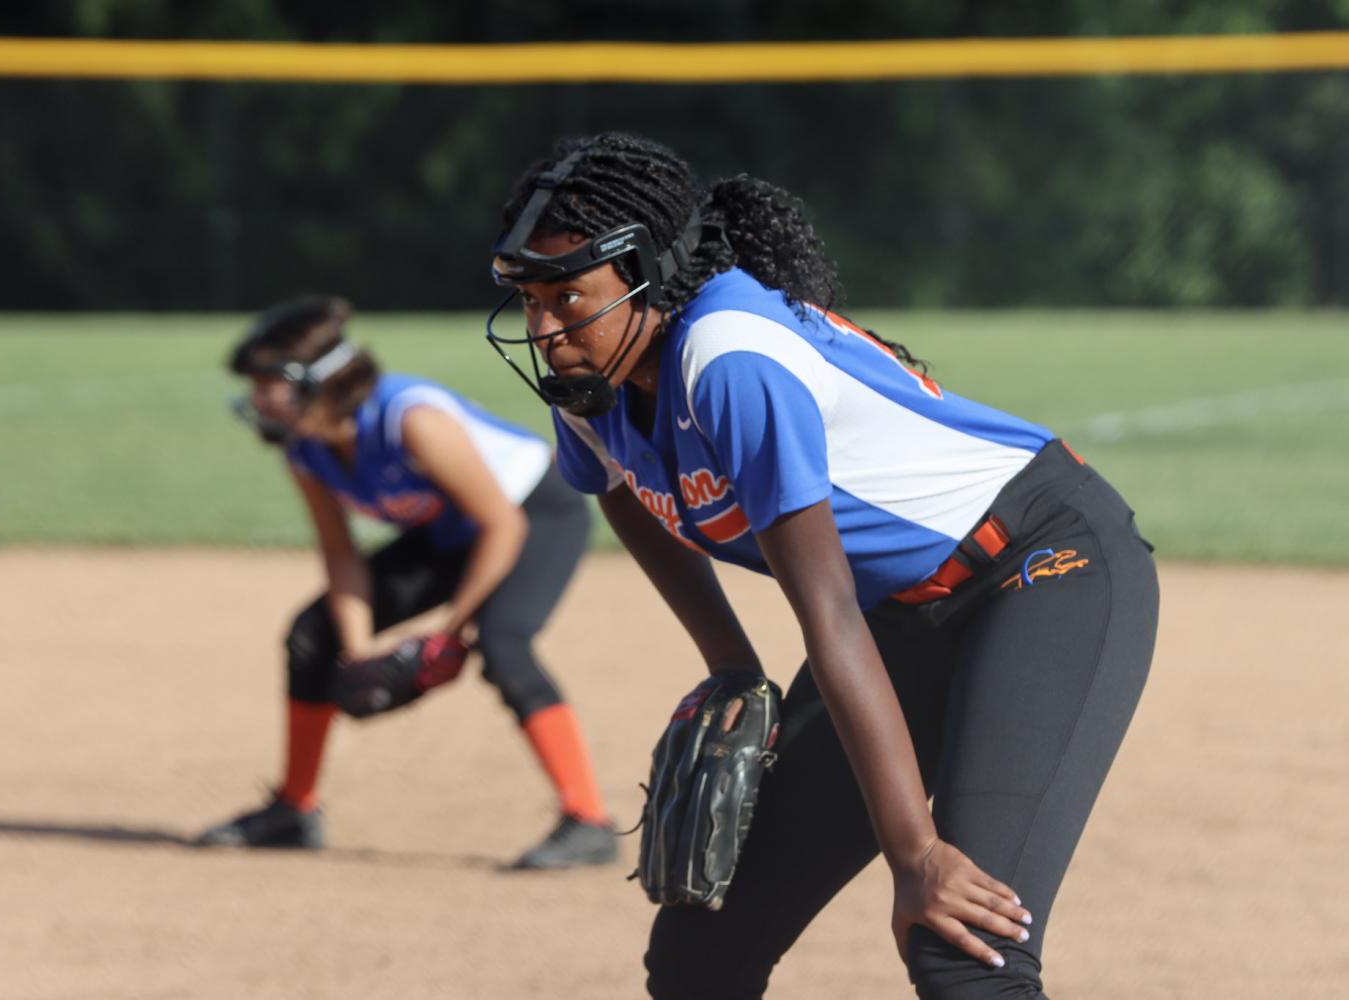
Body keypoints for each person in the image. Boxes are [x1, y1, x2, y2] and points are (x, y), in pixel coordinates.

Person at [483, 133, 1158, 997]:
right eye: (529, 299)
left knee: (960, 944)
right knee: (700, 952)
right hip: (902, 610)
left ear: (646, 274)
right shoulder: (593, 378)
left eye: (566, 294)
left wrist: (915, 855)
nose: (544, 329)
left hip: (1043, 567)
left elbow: (829, 612)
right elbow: (619, 487)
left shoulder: (728, 361)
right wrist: (729, 663)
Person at [196, 294, 618, 870]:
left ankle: (588, 819)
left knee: (503, 645)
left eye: (266, 383)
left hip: (533, 513)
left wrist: (447, 635)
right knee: (310, 635)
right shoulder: (306, 448)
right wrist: (358, 650)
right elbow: (342, 556)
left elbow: (500, 523)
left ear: (312, 381)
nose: (256, 398)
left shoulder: (411, 418)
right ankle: (294, 810)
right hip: (449, 533)